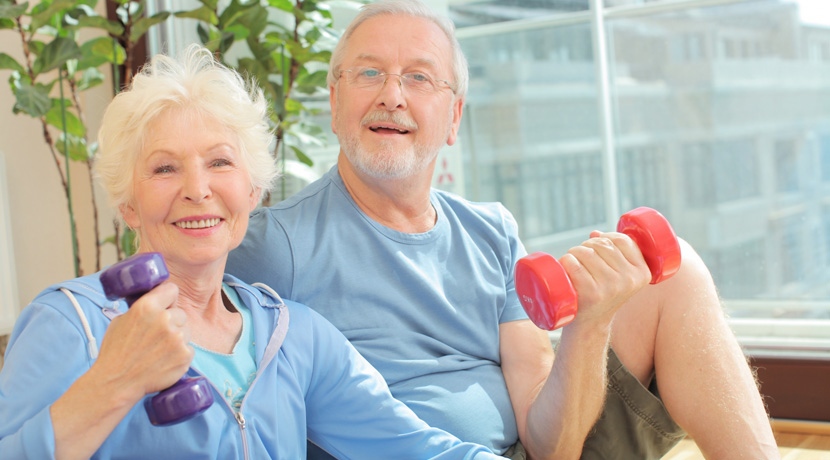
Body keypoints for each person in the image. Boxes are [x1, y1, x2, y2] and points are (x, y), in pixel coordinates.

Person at [225, 0, 781, 459]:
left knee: (674, 271)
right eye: (369, 72)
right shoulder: (274, 246)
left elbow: (551, 443)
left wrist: (592, 321)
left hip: (528, 449)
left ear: (454, 117)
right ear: (335, 98)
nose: (391, 93)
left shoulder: (489, 230)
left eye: (418, 77)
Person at [0, 45, 507, 460]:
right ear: (128, 205)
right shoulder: (71, 324)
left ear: (252, 192)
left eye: (220, 162)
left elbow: (417, 449)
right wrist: (112, 384)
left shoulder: (292, 335)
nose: (198, 190)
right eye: (164, 169)